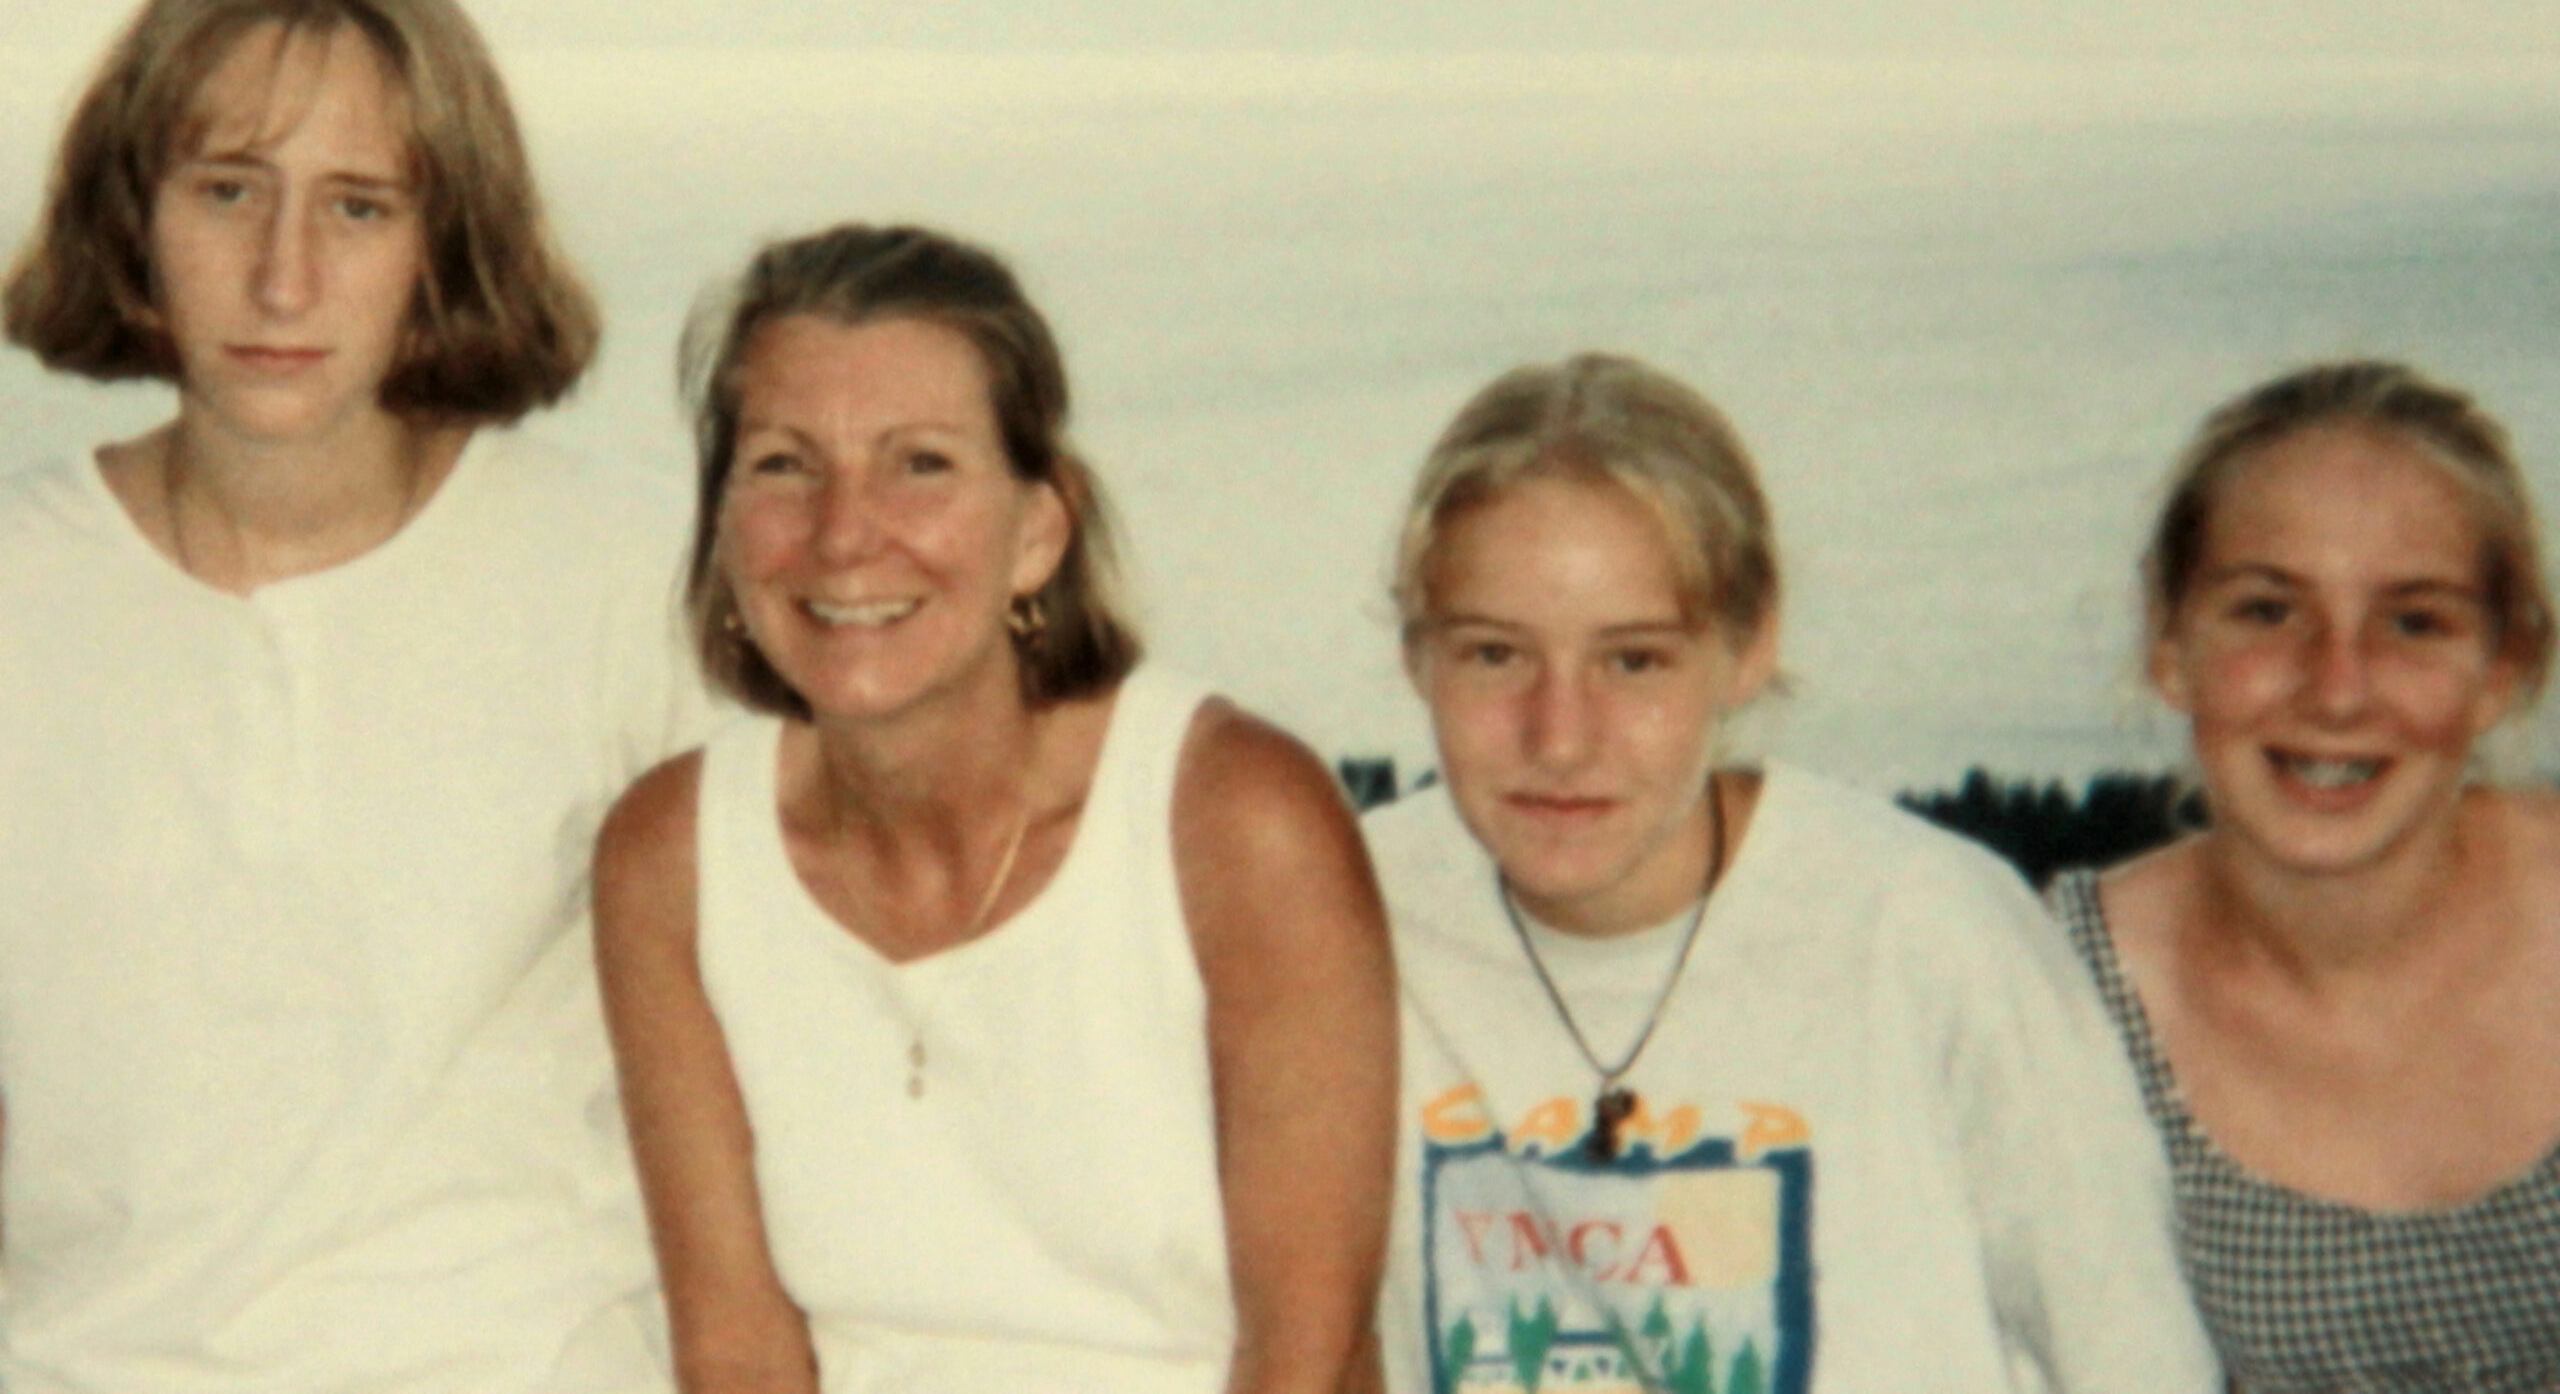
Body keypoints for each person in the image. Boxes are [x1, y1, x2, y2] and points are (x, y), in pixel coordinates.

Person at [0, 0, 707, 1388]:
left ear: (445, 246)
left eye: (359, 206)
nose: (284, 275)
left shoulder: (632, 581)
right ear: (131, 214)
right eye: (227, 191)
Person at [592, 222, 1397, 1394]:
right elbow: (736, 1355)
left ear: (1036, 531)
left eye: (919, 464)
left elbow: (1309, 1361)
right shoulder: (671, 858)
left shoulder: (1233, 824)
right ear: (720, 525)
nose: (843, 532)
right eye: (782, 466)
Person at [1365, 353, 2221, 1394]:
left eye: (1634, 660)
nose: (1559, 737)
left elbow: (2132, 1356)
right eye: (1494, 655)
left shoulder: (1926, 928)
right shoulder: (1346, 917)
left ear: (1749, 644)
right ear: (1417, 651)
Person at [2046, 360, 2560, 1391]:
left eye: (2414, 622)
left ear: (2501, 668)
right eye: (2267, 611)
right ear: (2170, 644)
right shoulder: (2065, 993)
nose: (2336, 689)